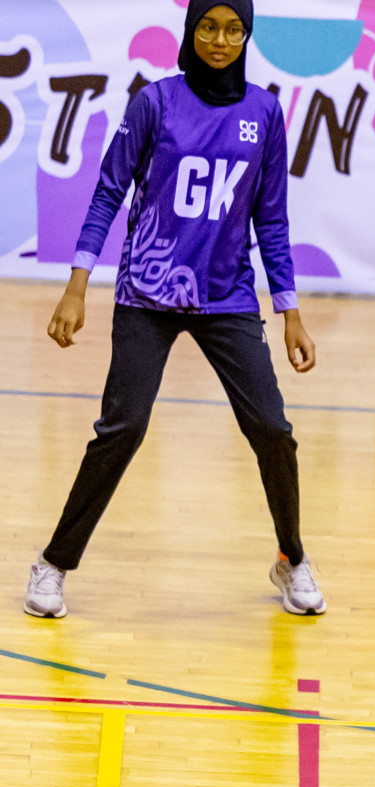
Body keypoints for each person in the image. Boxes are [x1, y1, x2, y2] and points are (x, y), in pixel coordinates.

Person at [24, 0, 324, 619]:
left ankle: (292, 559)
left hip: (227, 295)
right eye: (209, 27)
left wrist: (289, 308)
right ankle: (53, 563)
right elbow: (109, 189)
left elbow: (271, 218)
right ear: (191, 32)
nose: (220, 40)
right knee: (123, 428)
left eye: (234, 29)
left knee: (272, 429)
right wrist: (77, 284)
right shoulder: (154, 102)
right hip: (147, 293)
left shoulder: (264, 112)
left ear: (248, 35)